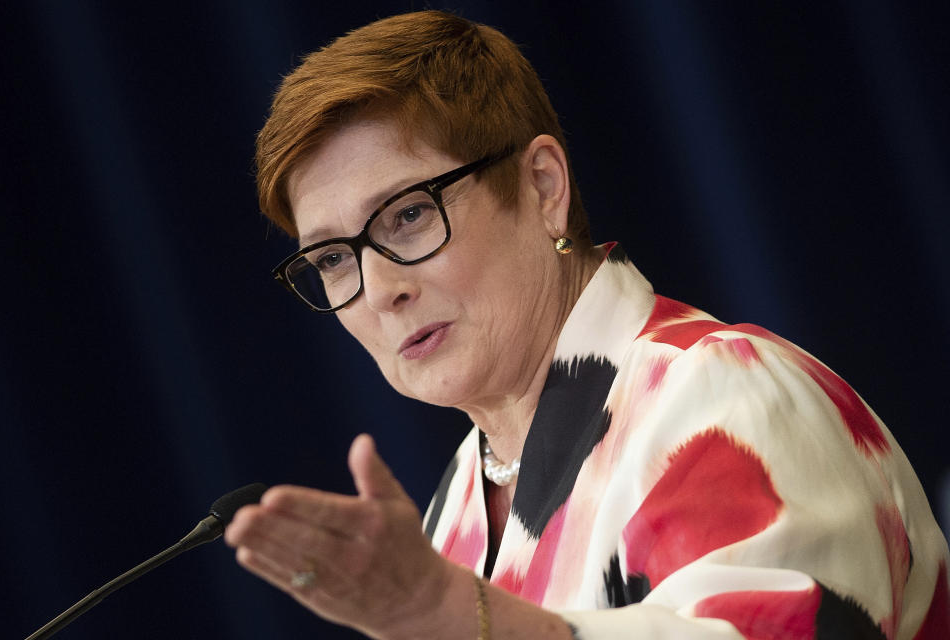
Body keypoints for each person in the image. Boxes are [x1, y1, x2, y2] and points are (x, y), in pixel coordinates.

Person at [224, 10, 949, 639]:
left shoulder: (719, 397)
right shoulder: (454, 515)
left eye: (409, 216)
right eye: (331, 259)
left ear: (543, 186)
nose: (379, 289)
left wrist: (452, 619)